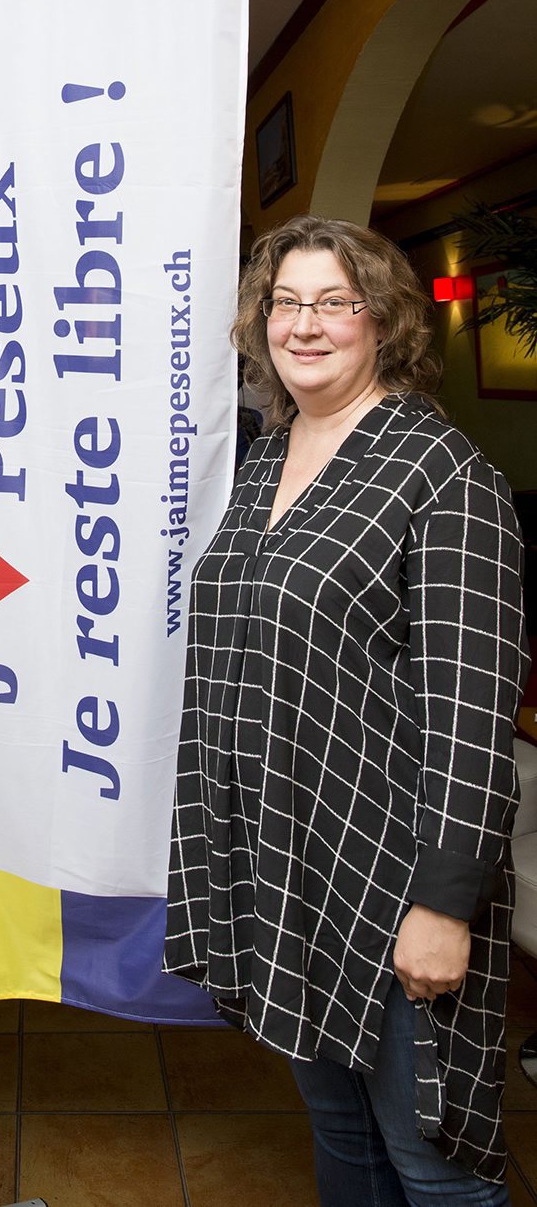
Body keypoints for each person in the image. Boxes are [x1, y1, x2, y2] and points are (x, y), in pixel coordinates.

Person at [164, 215, 528, 1204]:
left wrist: (443, 905)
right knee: (343, 1136)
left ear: (380, 321)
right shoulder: (263, 460)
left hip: (396, 875)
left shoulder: (440, 473)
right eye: (286, 302)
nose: (305, 324)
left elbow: (471, 709)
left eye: (333, 301)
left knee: (433, 1159)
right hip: (289, 869)